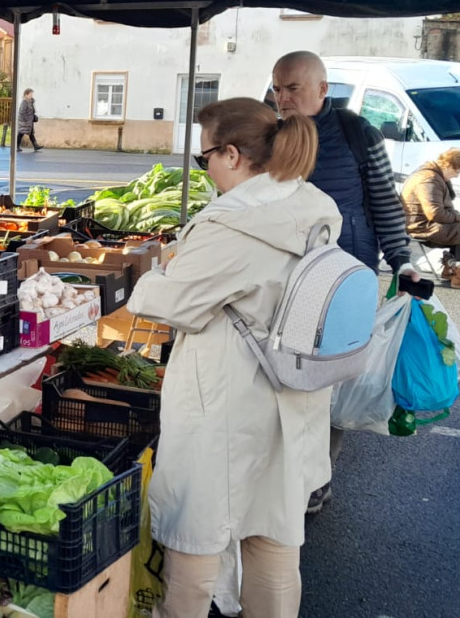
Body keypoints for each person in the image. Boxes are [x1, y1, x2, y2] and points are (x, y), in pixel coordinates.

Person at [128, 98, 333, 618]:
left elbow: (172, 303)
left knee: (195, 530)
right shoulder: (311, 204)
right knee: (274, 533)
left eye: (206, 158)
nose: (207, 168)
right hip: (293, 388)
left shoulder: (233, 225)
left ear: (234, 155)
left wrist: (156, 271)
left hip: (224, 393)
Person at [271, 50, 418, 514]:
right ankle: (280, 470)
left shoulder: (356, 133)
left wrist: (403, 261)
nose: (283, 97)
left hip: (343, 278)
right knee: (282, 376)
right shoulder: (266, 132)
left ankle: (318, 478)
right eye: (277, 87)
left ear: (321, 89)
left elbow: (383, 202)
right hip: (282, 276)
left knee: (329, 379)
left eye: (293, 88)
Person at [400, 149, 460, 292]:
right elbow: (434, 213)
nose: (456, 176)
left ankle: (450, 270)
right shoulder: (429, 180)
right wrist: (459, 217)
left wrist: (459, 218)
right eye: (457, 172)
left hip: (419, 222)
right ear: (448, 165)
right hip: (420, 226)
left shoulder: (430, 175)